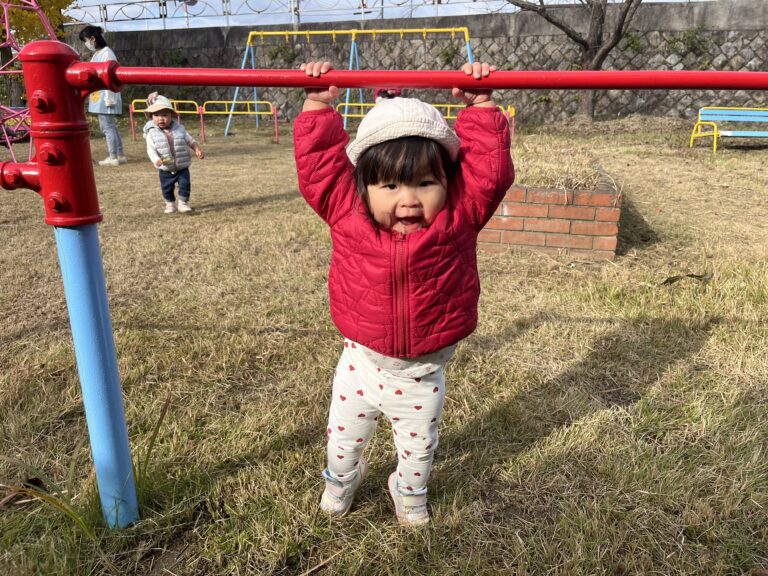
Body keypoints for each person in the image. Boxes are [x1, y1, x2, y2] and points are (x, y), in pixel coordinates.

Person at [294, 60, 514, 526]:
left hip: (422, 376)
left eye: (425, 183)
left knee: (419, 451)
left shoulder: (460, 216)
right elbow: (318, 169)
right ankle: (340, 481)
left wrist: (482, 106)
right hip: (359, 366)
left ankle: (409, 493)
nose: (408, 199)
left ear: (448, 184)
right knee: (342, 442)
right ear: (363, 188)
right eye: (389, 185)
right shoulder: (345, 212)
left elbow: (489, 173)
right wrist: (317, 105)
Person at [142, 93, 204, 214]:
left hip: (181, 164)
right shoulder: (151, 133)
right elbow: (150, 149)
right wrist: (156, 160)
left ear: (171, 115)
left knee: (185, 184)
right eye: (156, 115)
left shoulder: (179, 129)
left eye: (165, 115)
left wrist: (197, 149)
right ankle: (170, 204)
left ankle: (183, 203)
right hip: (165, 165)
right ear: (151, 117)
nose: (161, 118)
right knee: (167, 187)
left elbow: (190, 140)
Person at [78, 25, 126, 167]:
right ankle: (120, 154)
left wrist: (109, 97)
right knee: (110, 127)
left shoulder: (107, 53)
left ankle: (113, 157)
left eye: (85, 40)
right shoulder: (98, 54)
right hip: (100, 96)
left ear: (92, 38)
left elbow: (110, 75)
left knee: (107, 127)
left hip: (105, 96)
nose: (86, 44)